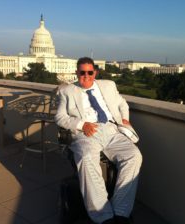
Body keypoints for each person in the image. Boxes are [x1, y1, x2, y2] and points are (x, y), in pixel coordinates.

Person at [55, 57, 142, 224]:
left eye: (89, 72)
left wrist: (124, 119)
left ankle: (121, 212)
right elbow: (60, 117)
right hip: (86, 133)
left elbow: (123, 104)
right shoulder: (67, 91)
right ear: (77, 73)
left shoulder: (108, 86)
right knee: (87, 159)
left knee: (134, 156)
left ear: (95, 72)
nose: (86, 76)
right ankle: (103, 216)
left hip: (112, 130)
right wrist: (81, 124)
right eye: (82, 72)